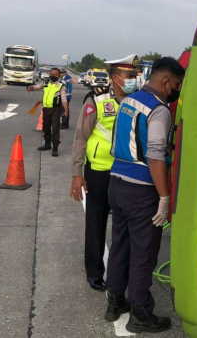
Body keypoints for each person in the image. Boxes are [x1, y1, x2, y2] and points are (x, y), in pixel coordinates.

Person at [104, 57, 185, 333]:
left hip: (116, 183)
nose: (176, 91)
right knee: (143, 254)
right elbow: (155, 156)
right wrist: (164, 197)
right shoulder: (159, 109)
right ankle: (141, 314)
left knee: (120, 245)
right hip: (142, 191)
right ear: (166, 82)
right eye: (176, 85)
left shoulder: (128, 100)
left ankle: (115, 302)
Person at [69, 54, 140, 293]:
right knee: (96, 223)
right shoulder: (97, 99)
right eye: (129, 76)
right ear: (115, 78)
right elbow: (81, 136)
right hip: (98, 172)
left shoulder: (137, 101)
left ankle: (122, 271)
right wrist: (76, 173)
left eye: (135, 76)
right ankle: (94, 271)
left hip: (127, 173)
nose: (133, 80)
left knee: (125, 225)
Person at [27, 67, 68, 157]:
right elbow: (37, 87)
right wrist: (31, 87)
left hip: (56, 109)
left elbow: (64, 99)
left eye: (55, 75)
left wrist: (66, 110)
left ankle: (55, 147)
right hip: (45, 109)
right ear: (49, 74)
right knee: (45, 127)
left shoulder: (61, 85)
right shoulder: (46, 82)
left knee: (55, 128)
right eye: (52, 74)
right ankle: (47, 144)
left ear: (59, 75)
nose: (53, 76)